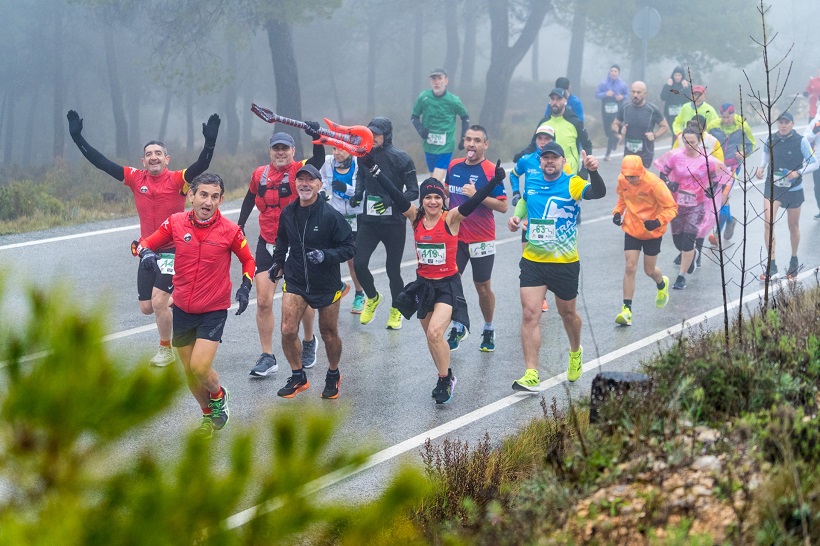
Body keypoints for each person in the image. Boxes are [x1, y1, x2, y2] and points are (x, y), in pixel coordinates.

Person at [66, 109, 220, 368]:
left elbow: (201, 166)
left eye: (158, 153)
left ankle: (166, 349)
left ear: (166, 158)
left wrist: (210, 143)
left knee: (160, 302)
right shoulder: (136, 178)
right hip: (147, 250)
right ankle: (186, 301)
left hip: (174, 249)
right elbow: (102, 163)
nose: (153, 157)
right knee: (147, 307)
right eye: (149, 154)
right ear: (143, 160)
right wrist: (77, 138)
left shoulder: (178, 180)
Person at [359, 153, 506, 404]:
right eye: (428, 197)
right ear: (422, 200)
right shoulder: (415, 217)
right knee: (431, 337)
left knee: (436, 333)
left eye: (438, 196)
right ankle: (447, 374)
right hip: (424, 285)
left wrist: (492, 184)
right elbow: (394, 192)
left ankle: (442, 379)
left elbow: (474, 203)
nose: (433, 201)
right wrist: (373, 169)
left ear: (443, 199)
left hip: (447, 285)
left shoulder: (452, 218)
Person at [134, 173, 255, 439]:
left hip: (213, 310)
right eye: (203, 195)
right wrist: (145, 255)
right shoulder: (175, 223)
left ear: (221, 200)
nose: (208, 202)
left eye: (214, 197)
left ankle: (219, 396)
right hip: (183, 309)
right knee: (190, 373)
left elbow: (248, 260)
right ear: (191, 196)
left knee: (200, 368)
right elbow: (145, 243)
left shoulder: (230, 231)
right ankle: (207, 416)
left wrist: (245, 286)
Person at [507, 143, 607, 391]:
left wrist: (592, 171)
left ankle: (575, 351)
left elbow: (598, 193)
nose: (549, 162)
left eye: (554, 158)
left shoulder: (572, 183)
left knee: (568, 314)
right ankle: (531, 373)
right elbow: (526, 202)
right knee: (530, 314)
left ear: (563, 161)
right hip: (534, 261)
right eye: (545, 158)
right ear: (540, 162)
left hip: (564, 263)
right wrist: (517, 217)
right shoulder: (531, 180)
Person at [237, 126, 326, 378]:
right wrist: (240, 225)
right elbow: (248, 198)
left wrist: (315, 136)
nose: (280, 153)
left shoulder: (300, 170)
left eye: (284, 148)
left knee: (302, 299)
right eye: (276, 148)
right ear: (270, 151)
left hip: (297, 245)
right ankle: (267, 356)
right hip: (267, 243)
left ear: (292, 151)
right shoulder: (259, 174)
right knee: (263, 301)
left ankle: (308, 340)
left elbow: (318, 159)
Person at [268, 164, 355, 399]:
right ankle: (298, 377)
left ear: (319, 185)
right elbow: (281, 241)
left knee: (328, 334)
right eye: (301, 179)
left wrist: (325, 256)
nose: (304, 184)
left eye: (310, 180)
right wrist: (278, 262)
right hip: (296, 281)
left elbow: (349, 248)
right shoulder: (289, 212)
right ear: (295, 184)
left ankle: (333, 374)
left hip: (326, 284)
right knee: (287, 330)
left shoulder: (331, 216)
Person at [443, 125, 508, 352]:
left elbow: (503, 206)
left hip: (482, 238)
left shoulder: (491, 170)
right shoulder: (454, 165)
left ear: (485, 145)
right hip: (456, 237)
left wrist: (477, 196)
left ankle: (488, 328)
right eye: (468, 139)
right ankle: (458, 325)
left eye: (477, 140)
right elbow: (446, 192)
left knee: (482, 287)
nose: (471, 144)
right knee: (451, 283)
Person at [350, 117, 419, 329]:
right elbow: (361, 177)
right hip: (369, 221)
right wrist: (358, 194)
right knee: (358, 262)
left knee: (392, 270)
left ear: (387, 134)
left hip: (394, 222)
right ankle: (372, 297)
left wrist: (393, 199)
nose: (374, 137)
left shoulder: (401, 158)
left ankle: (396, 308)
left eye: (378, 133)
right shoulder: (364, 155)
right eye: (371, 133)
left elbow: (414, 191)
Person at [658, 129, 732, 289]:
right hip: (677, 205)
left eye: (692, 142)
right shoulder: (676, 157)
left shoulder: (707, 160)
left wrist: (711, 187)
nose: (689, 145)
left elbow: (722, 175)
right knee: (678, 242)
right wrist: (669, 184)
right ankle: (693, 254)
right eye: (686, 141)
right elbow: (663, 174)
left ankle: (681, 277)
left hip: (697, 206)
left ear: (699, 142)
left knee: (687, 242)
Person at [612, 156, 677, 326]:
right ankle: (627, 310)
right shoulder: (623, 180)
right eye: (627, 176)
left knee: (649, 271)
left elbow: (672, 208)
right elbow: (622, 198)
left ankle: (661, 283)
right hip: (632, 228)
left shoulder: (655, 184)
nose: (630, 180)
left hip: (652, 232)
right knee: (630, 267)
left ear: (641, 172)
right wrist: (618, 213)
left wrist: (658, 221)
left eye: (633, 176)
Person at [755, 111, 819, 280]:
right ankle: (772, 266)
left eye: (786, 122)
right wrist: (761, 168)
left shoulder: (801, 141)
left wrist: (797, 173)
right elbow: (765, 156)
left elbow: (814, 163)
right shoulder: (771, 139)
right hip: (773, 187)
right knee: (768, 223)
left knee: (793, 226)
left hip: (793, 189)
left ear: (792, 123)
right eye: (780, 122)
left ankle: (794, 259)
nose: (783, 125)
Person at [320, 146, 365, 313]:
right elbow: (322, 181)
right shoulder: (328, 162)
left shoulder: (359, 163)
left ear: (350, 150)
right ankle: (338, 286)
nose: (336, 153)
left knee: (352, 260)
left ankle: (360, 294)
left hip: (356, 216)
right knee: (329, 255)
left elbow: (365, 190)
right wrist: (322, 192)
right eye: (334, 148)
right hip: (336, 215)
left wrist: (347, 189)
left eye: (340, 149)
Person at [514, 88, 593, 175]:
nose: (555, 102)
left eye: (558, 99)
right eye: (552, 99)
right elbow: (534, 144)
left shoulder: (575, 122)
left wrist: (585, 171)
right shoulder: (543, 122)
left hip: (569, 175)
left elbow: (587, 145)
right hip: (547, 174)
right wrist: (521, 155)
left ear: (565, 101)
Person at [706, 103, 756, 240]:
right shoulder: (713, 126)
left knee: (723, 198)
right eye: (723, 117)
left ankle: (716, 234)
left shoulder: (742, 125)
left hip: (732, 167)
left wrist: (744, 153)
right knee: (714, 198)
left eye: (728, 117)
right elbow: (704, 141)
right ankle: (730, 221)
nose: (725, 120)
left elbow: (751, 144)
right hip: (715, 166)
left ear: (733, 114)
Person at [411, 67, 470, 182]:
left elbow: (465, 117)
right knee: (435, 182)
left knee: (434, 183)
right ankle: (446, 199)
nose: (436, 82)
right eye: (433, 79)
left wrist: (464, 137)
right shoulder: (424, 97)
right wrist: (420, 130)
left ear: (446, 81)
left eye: (439, 78)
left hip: (446, 146)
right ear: (430, 81)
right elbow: (414, 117)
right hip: (429, 146)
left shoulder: (453, 100)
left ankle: (436, 197)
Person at [611, 81, 669, 168]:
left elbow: (664, 126)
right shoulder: (625, 107)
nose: (635, 95)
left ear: (645, 94)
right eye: (633, 92)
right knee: (628, 179)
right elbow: (614, 124)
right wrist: (619, 129)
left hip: (645, 154)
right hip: (628, 153)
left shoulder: (652, 109)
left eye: (638, 92)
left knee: (640, 180)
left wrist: (655, 135)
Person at [595, 64, 628, 161]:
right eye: (612, 71)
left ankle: (607, 154)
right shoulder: (604, 83)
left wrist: (622, 97)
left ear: (618, 73)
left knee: (613, 129)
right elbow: (597, 94)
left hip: (617, 110)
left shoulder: (622, 84)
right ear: (609, 72)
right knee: (607, 131)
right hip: (606, 110)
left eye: (615, 71)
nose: (613, 73)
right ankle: (616, 138)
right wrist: (606, 94)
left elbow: (627, 94)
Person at [660, 66, 689, 146]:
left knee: (679, 132)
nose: (677, 77)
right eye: (675, 75)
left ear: (682, 76)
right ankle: (675, 148)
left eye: (679, 75)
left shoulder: (685, 86)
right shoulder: (669, 85)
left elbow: (689, 100)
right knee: (674, 132)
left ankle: (677, 148)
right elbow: (663, 97)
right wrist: (668, 86)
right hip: (670, 114)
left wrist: (686, 87)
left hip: (682, 114)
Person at [803, 110, 820, 220]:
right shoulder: (816, 122)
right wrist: (814, 132)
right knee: (818, 188)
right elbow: (805, 139)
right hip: (818, 161)